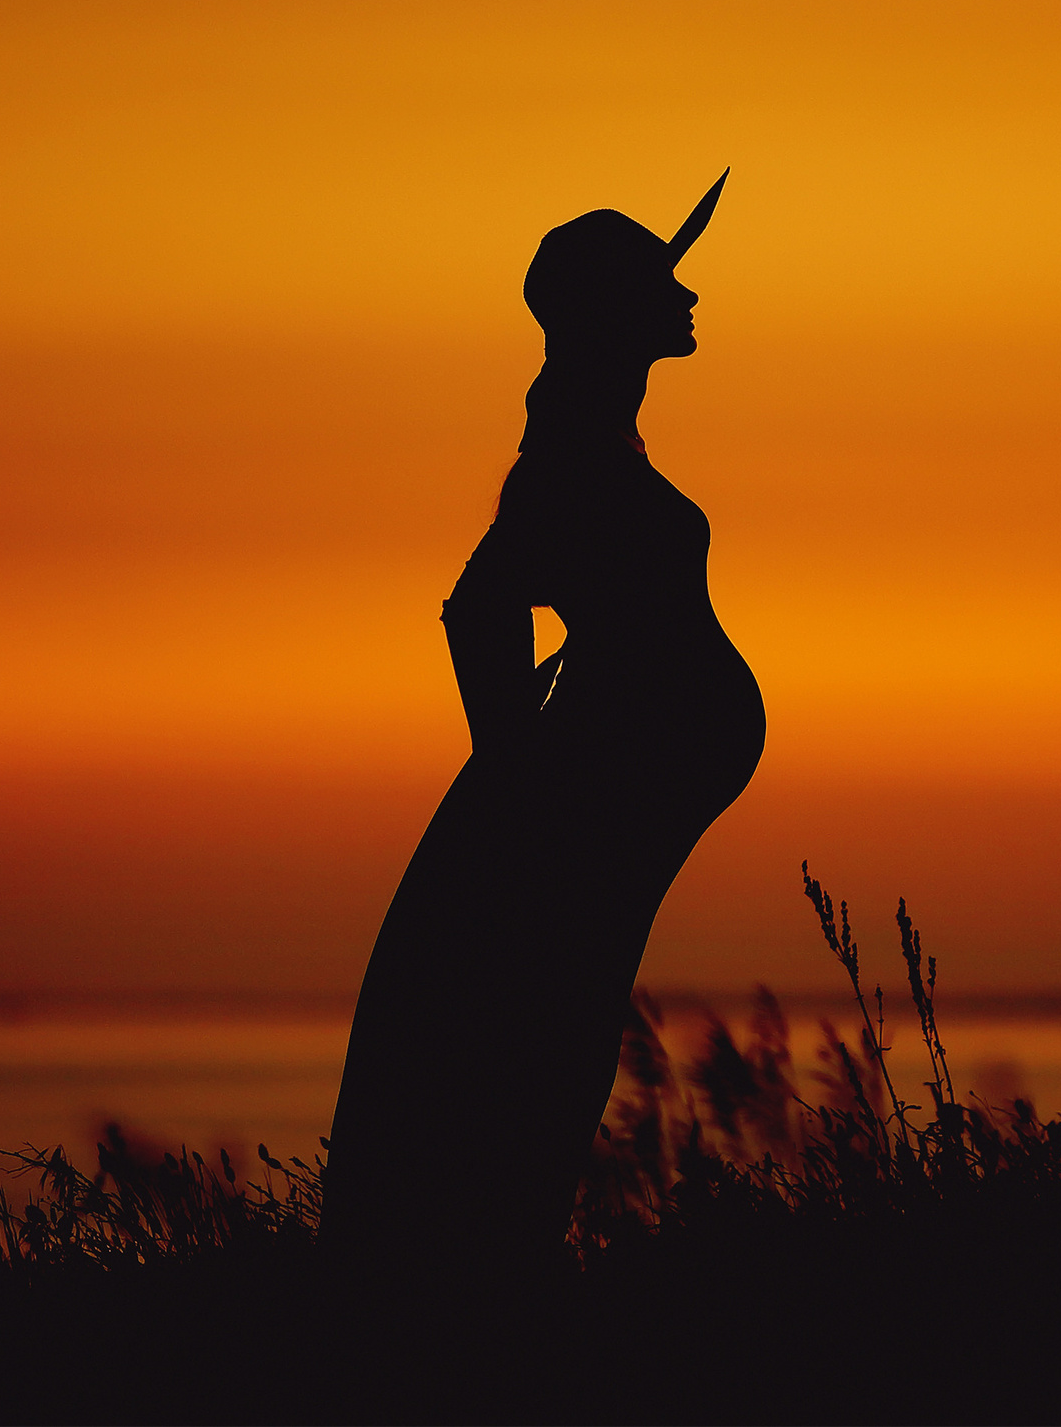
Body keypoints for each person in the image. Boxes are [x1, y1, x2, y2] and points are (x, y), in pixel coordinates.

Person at [324, 173, 764, 1276]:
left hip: (606, 803)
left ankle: (496, 1256)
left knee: (565, 1020)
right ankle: (483, 1268)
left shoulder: (601, 440)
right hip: (584, 810)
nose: (690, 295)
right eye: (665, 281)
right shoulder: (571, 457)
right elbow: (481, 607)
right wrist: (519, 775)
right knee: (547, 1028)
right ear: (614, 311)